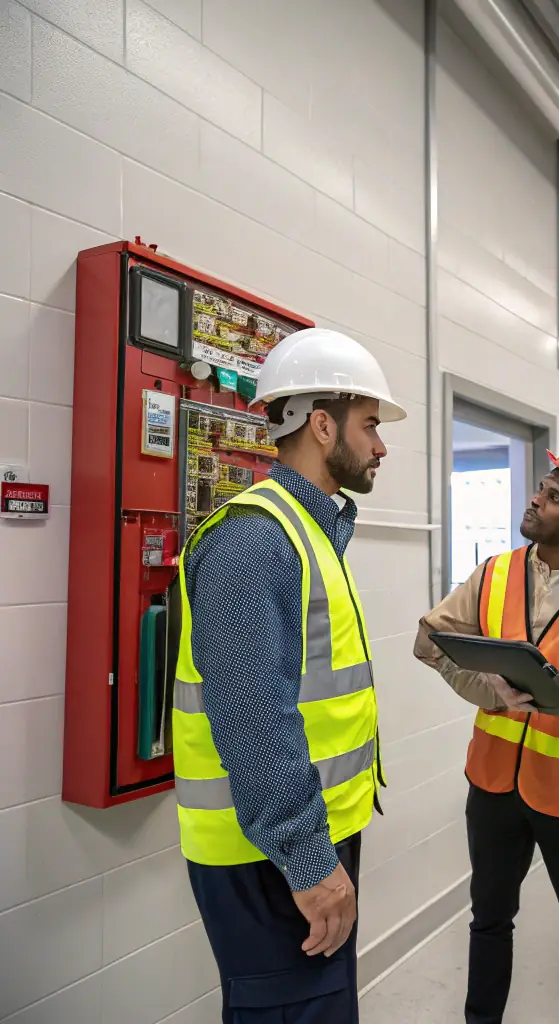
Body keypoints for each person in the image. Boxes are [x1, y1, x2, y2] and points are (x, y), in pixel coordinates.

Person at [172, 327, 406, 1024]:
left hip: (296, 838)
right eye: (369, 426)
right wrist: (308, 859)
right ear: (322, 424)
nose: (381, 446)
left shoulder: (309, 533)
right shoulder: (255, 541)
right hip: (269, 855)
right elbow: (253, 718)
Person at [414, 443, 559, 1024]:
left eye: (554, 496)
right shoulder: (495, 573)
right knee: (488, 920)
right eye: (543, 487)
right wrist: (486, 686)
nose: (536, 499)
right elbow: (429, 642)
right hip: (492, 783)